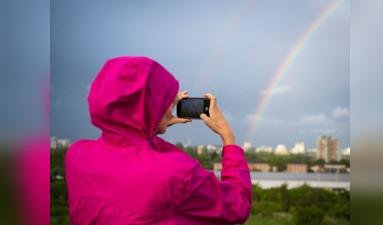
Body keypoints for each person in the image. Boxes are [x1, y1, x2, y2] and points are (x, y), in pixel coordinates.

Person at [65, 56, 252, 225]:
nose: (172, 109)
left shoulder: (76, 155)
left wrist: (149, 130)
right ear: (154, 108)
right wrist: (229, 141)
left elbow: (129, 159)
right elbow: (238, 207)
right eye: (169, 103)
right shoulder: (178, 173)